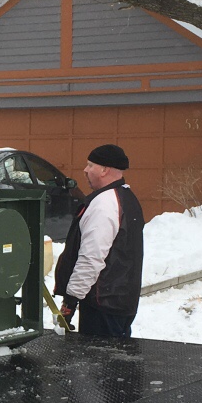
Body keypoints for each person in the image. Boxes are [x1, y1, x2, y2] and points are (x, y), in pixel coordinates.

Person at [53, 144, 144, 337]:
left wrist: (71, 299)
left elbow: (91, 257)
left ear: (104, 170)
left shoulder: (104, 204)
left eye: (90, 165)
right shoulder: (127, 198)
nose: (85, 170)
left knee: (99, 355)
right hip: (121, 302)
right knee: (117, 353)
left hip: (102, 304)